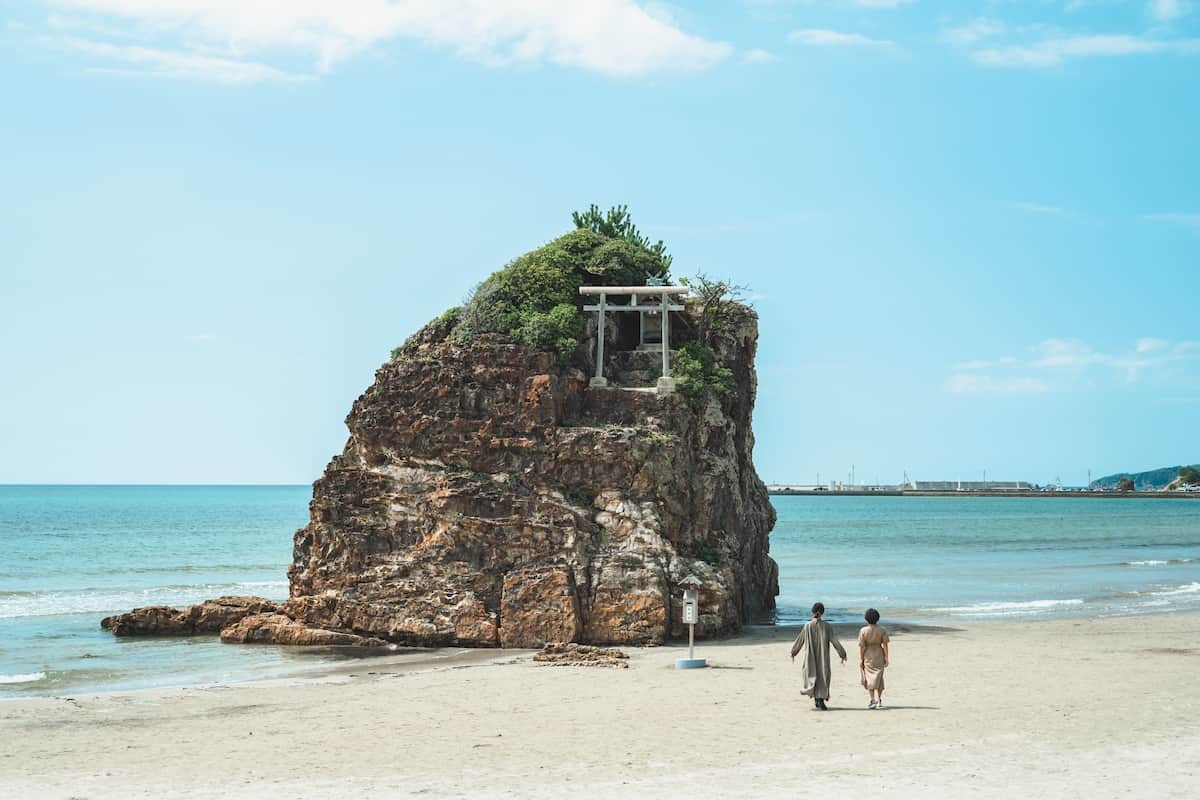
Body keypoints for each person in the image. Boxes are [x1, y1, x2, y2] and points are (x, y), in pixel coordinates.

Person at [789, 602, 846, 710]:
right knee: (823, 675)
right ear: (822, 612)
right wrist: (842, 654)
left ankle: (817, 699)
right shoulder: (827, 626)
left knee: (811, 674)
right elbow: (835, 641)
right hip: (823, 656)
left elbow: (800, 640)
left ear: (813, 612)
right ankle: (820, 699)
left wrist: (793, 652)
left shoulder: (807, 626)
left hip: (810, 656)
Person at [857, 608, 890, 709]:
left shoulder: (863, 630)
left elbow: (862, 646)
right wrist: (886, 657)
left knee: (870, 678)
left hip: (868, 655)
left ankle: (872, 700)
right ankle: (879, 699)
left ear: (866, 619)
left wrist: (861, 659)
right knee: (879, 678)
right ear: (878, 618)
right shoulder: (882, 630)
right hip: (879, 653)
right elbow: (885, 645)